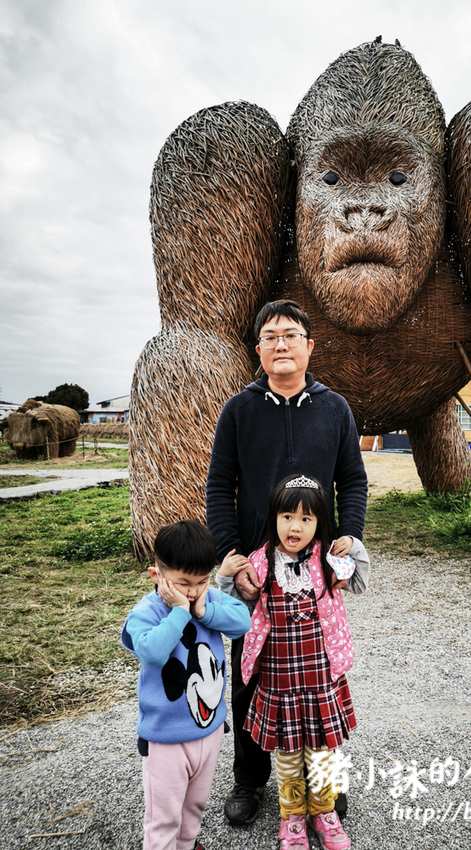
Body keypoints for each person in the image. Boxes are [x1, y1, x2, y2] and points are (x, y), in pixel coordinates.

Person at [206, 299, 368, 824]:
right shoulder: (239, 410)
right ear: (258, 350)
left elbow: (354, 481)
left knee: (319, 674)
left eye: (290, 335)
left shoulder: (335, 408)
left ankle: (320, 786)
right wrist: (232, 557)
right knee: (252, 672)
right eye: (271, 336)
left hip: (316, 568)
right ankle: (250, 782)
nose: (281, 343)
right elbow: (219, 487)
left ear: (308, 346)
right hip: (257, 569)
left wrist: (347, 538)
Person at [217, 475, 369, 850]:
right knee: (286, 756)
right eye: (287, 516)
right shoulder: (260, 562)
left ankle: (325, 812)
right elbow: (234, 611)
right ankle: (293, 818)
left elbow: (361, 583)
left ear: (319, 523)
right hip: (279, 683)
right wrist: (224, 578)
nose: (295, 526)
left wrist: (355, 546)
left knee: (322, 753)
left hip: (320, 680)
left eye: (306, 518)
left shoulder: (328, 560)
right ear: (274, 518)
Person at [121, 520, 251, 850]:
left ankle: (188, 845)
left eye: (202, 581)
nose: (193, 591)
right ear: (157, 576)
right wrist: (180, 611)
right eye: (183, 583)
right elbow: (152, 651)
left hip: (208, 732)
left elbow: (242, 622)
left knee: (194, 807)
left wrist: (205, 611)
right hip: (165, 738)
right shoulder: (147, 612)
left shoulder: (207, 601)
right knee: (164, 817)